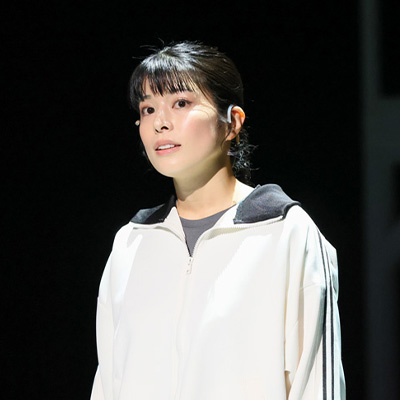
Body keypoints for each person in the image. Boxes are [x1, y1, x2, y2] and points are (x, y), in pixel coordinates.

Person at [90, 41, 345, 400]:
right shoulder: (131, 243)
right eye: (148, 109)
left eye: (181, 103)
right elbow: (108, 383)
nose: (160, 122)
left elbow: (317, 383)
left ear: (232, 122)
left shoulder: (285, 231)